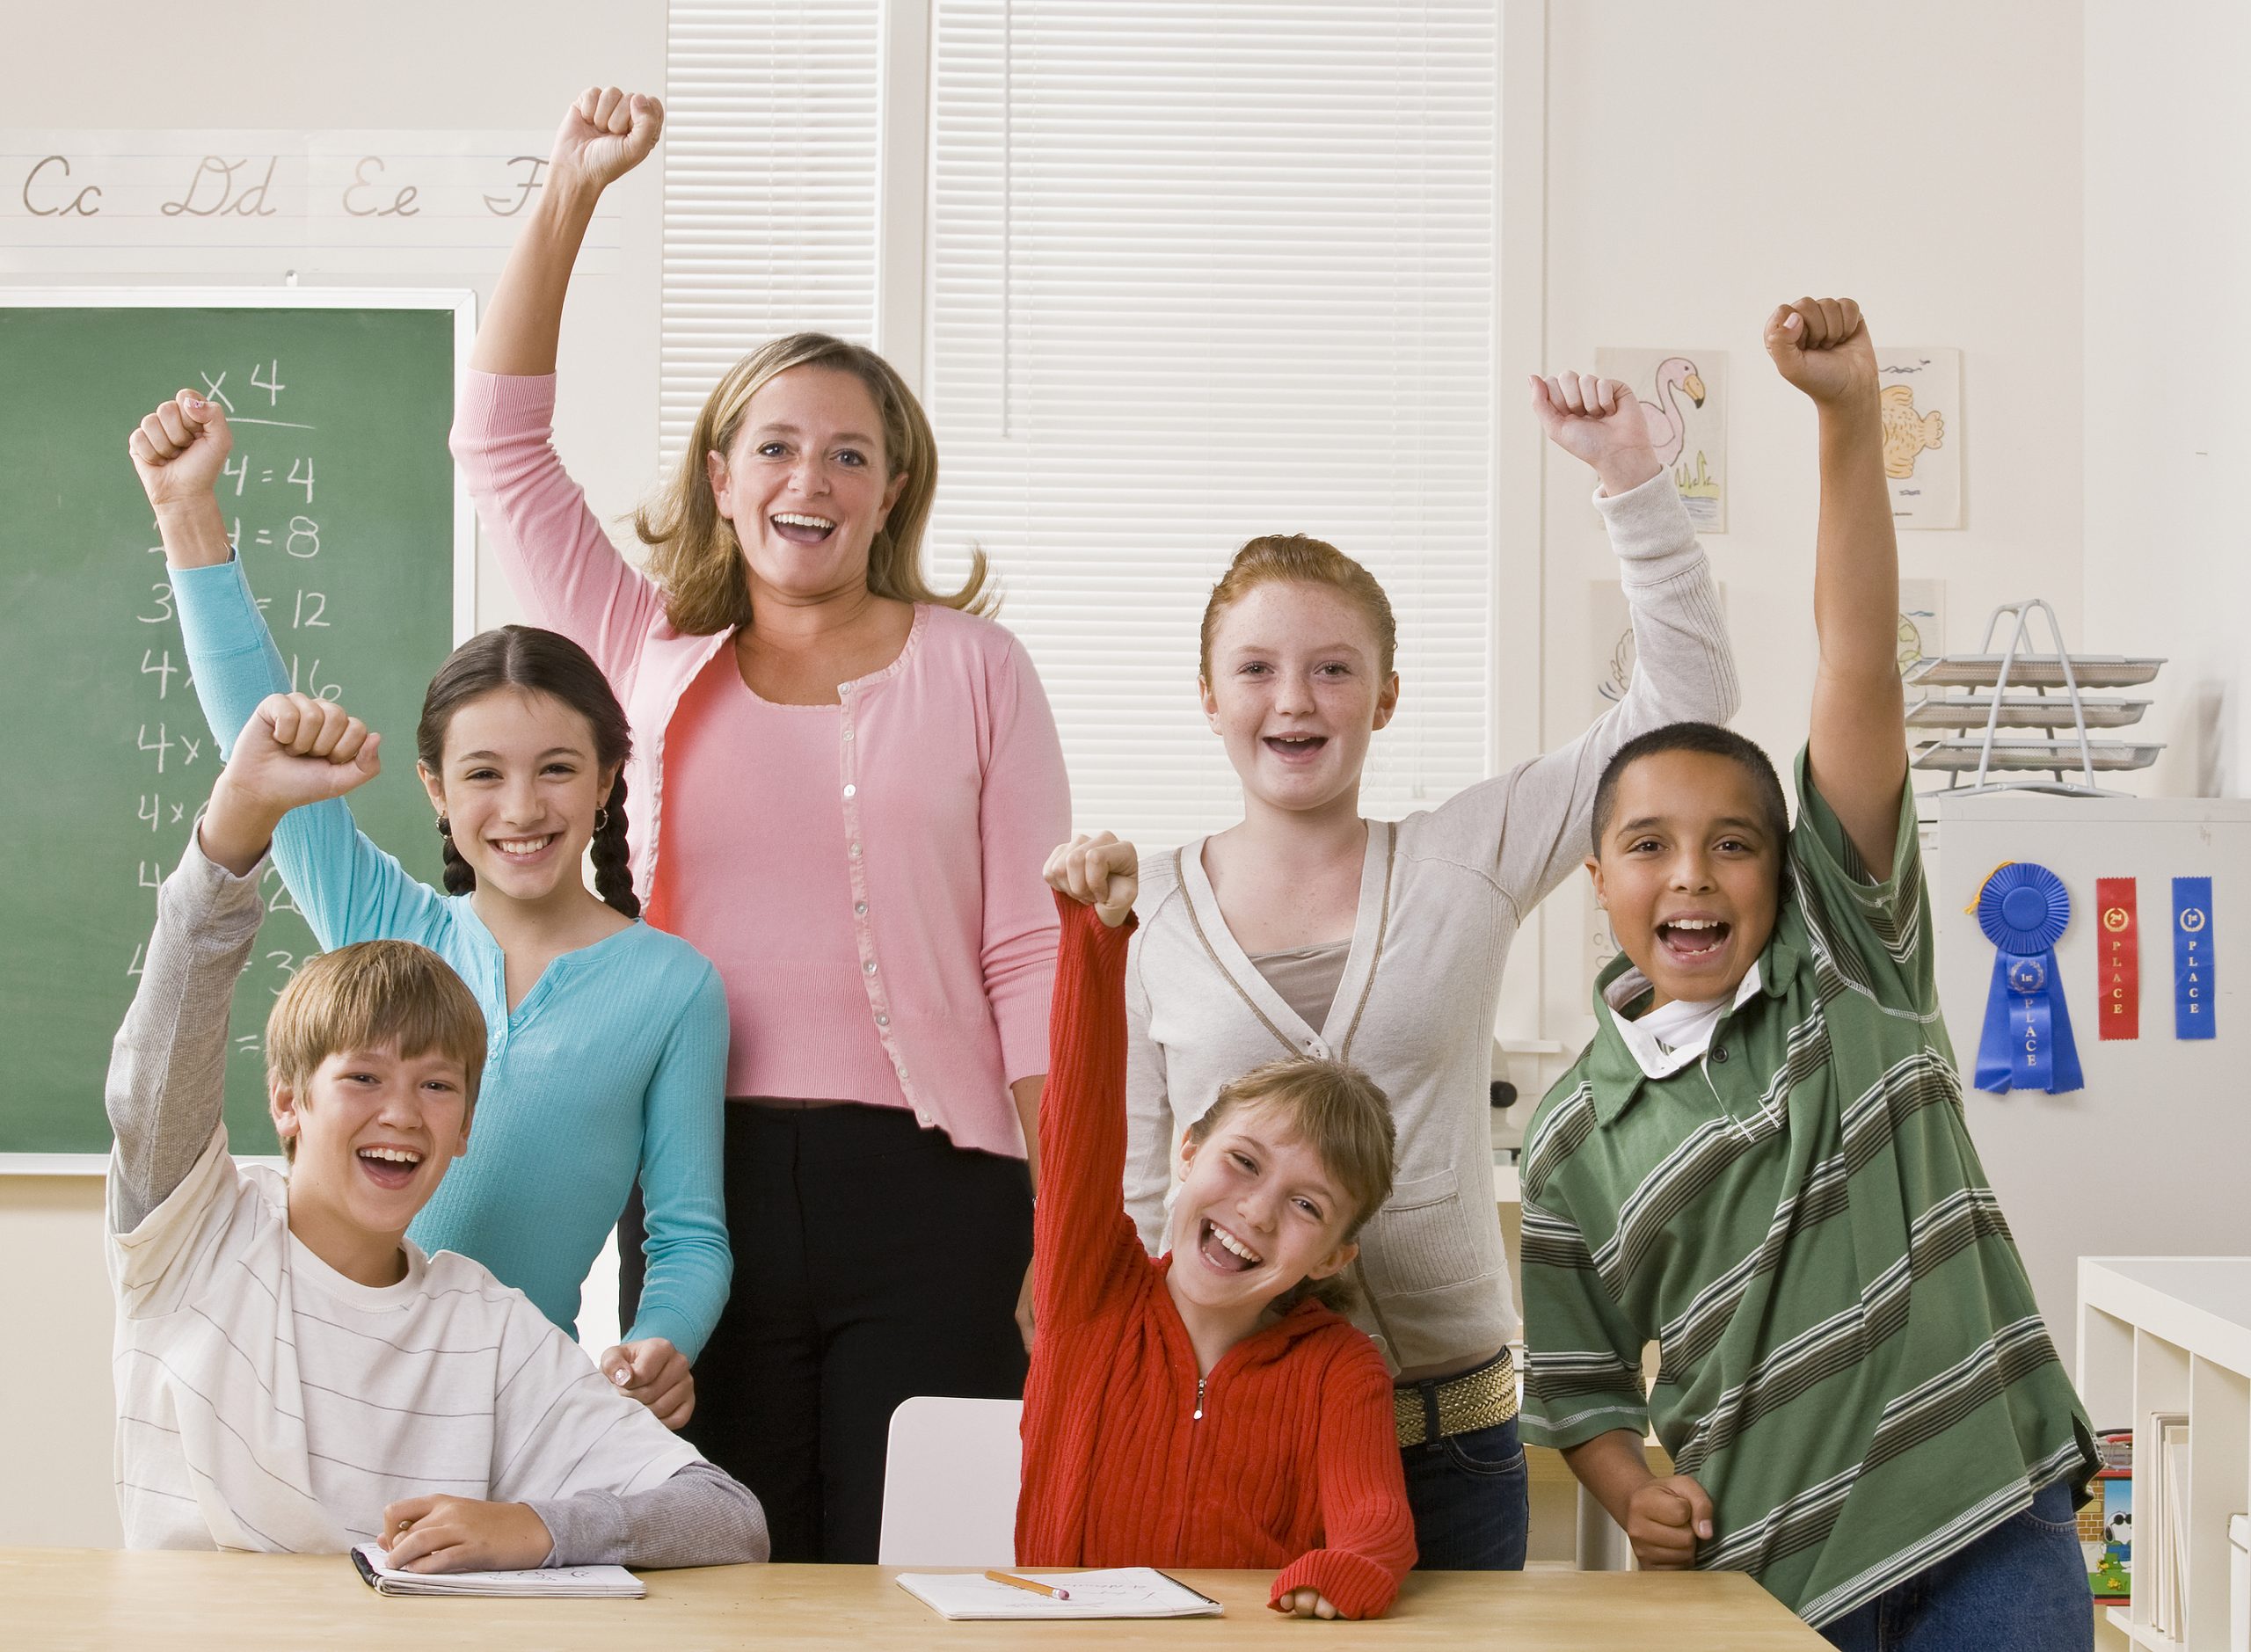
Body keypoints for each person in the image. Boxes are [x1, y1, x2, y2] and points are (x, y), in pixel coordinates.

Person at [456, 86, 1070, 1560]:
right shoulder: (639, 639)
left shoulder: (976, 667)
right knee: (719, 1550)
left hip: (944, 1187)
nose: (815, 477)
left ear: (894, 487)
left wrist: (1063, 1222)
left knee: (924, 1561)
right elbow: (498, 444)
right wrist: (571, 194)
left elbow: (1030, 951)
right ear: (722, 478)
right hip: (694, 1184)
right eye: (779, 446)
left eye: (853, 452)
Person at [1518, 298, 2096, 1645]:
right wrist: (1630, 1486)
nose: (1694, 875)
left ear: (1790, 869)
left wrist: (1846, 416)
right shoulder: (1572, 1134)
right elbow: (1582, 1374)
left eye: (1735, 843)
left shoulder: (1853, 958)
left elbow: (1853, 665)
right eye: (1647, 846)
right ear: (1596, 879)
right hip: (1764, 1569)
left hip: (1990, 1519)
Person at [1121, 372, 1737, 1568]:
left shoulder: (1468, 856)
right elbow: (1144, 1185)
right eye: (1255, 668)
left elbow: (1689, 705)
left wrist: (1629, 477)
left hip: (1447, 1437)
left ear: (1386, 695)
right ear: (1208, 697)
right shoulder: (1144, 906)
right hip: (1233, 1424)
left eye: (1334, 668)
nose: (1294, 698)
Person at [130, 389, 729, 1425]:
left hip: (500, 1410)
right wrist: (189, 514)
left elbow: (687, 1234)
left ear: (605, 780)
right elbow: (257, 726)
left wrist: (655, 1344)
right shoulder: (383, 924)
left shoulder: (673, 987)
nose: (523, 808)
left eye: (555, 770)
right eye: (484, 774)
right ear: (436, 792)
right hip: (319, 1381)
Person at [106, 690, 767, 1568]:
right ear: (288, 1100)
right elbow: (163, 1053)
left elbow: (728, 1519)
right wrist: (240, 817)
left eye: (436, 1086)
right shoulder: (192, 1234)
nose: (401, 1113)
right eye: (364, 1078)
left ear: (465, 1129)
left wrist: (537, 1528)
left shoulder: (486, 1327)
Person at [1023, 833, 1415, 1619]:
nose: (1258, 1210)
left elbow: (1376, 1523)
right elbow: (1079, 1130)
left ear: (1335, 1256)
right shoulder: (1087, 1292)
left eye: (1308, 1205)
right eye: (1243, 1161)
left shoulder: (1341, 1371)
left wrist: (1348, 1569)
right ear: (1189, 1149)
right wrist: (1094, 943)